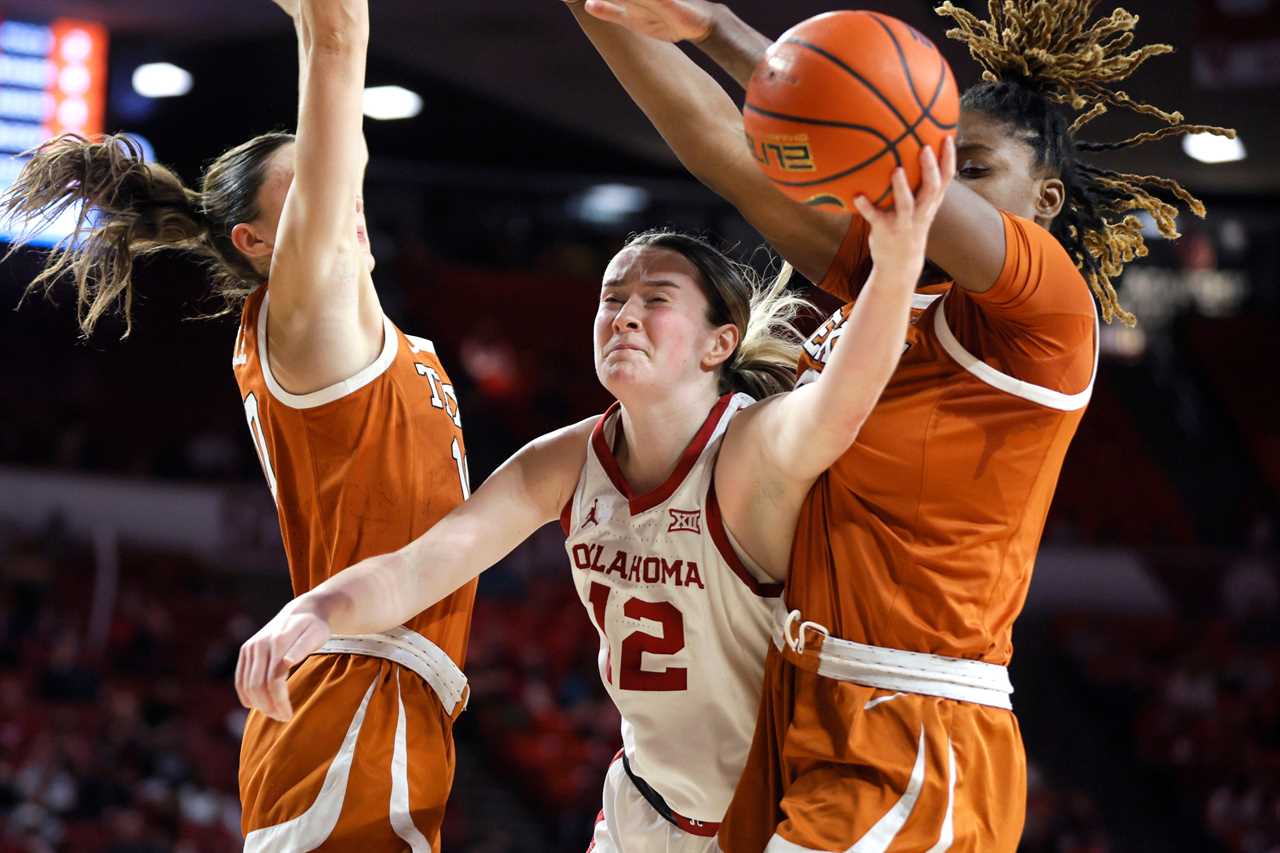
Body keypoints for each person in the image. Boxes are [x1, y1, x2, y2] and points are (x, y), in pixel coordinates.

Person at [563, 0, 1235, 850]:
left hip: (917, 720)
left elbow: (871, 132)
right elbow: (718, 147)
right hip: (801, 698)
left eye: (972, 168)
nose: (938, 182)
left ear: (1046, 199)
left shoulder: (1050, 317)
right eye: (939, 157)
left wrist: (723, 32)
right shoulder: (887, 284)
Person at [235, 146, 954, 852]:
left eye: (655, 299)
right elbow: (418, 568)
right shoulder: (565, 460)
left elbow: (843, 401)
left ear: (717, 345)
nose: (624, 315)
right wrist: (316, 609)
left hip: (776, 813)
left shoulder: (749, 447)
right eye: (612, 298)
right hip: (642, 806)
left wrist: (895, 268)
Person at [1, 1, 476, 848]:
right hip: (352, 695)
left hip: (374, 694)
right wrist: (321, 24)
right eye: (310, 183)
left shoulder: (373, 337)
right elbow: (339, 43)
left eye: (334, 171)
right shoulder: (300, 317)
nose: (338, 191)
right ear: (256, 240)